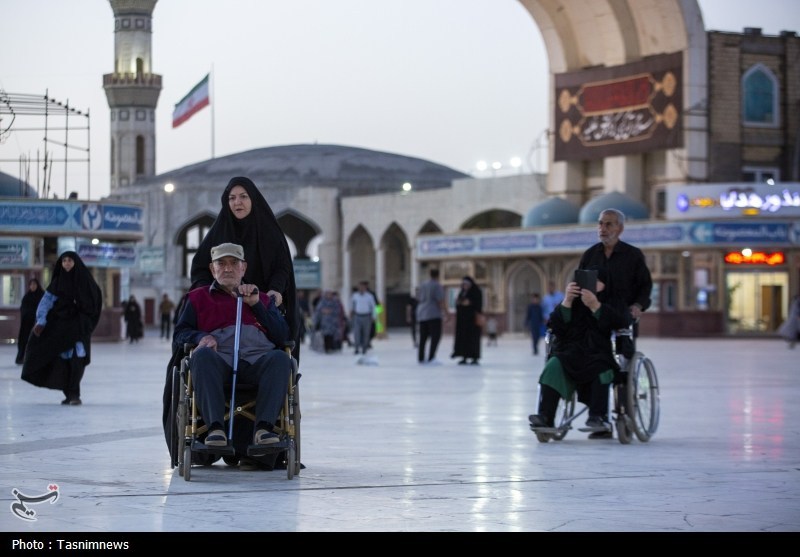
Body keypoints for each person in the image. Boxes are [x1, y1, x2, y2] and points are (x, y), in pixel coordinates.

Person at [173, 243, 291, 459]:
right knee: (201, 355)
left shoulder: (262, 298)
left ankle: (263, 429)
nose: (228, 269)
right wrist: (201, 337)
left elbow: (282, 336)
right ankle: (215, 429)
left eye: (233, 263)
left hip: (257, 361)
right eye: (221, 263)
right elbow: (180, 333)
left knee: (281, 359)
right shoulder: (197, 298)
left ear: (243, 268)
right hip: (220, 362)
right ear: (212, 269)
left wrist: (256, 305)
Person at [189, 176, 300, 363]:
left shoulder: (269, 232)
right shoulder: (218, 232)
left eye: (243, 197)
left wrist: (275, 291)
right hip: (221, 308)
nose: (237, 202)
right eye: (232, 198)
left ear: (253, 199)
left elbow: (282, 267)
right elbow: (200, 268)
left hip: (260, 306)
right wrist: (210, 293)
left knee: (279, 348)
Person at [528, 270, 629, 439]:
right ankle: (546, 417)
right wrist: (567, 300)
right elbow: (555, 325)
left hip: (598, 352)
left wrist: (595, 305)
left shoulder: (613, 300)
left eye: (595, 282)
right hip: (570, 352)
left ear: (603, 285)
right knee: (554, 365)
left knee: (601, 368)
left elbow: (621, 322)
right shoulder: (572, 302)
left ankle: (598, 417)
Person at [21, 251, 102, 405]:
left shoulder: (85, 281)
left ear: (75, 262)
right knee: (64, 360)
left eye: (70, 260)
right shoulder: (57, 283)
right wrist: (41, 322)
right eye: (64, 261)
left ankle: (75, 394)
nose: (66, 263)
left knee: (77, 359)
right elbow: (46, 302)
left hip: (79, 327)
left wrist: (86, 320)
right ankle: (69, 394)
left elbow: (94, 301)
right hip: (62, 327)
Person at [578, 208, 652, 358]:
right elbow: (580, 284)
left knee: (623, 354)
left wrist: (638, 305)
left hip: (622, 314)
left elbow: (645, 285)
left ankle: (622, 378)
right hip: (594, 314)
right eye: (600, 224)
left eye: (608, 224)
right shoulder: (590, 255)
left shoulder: (633, 255)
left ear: (620, 228)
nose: (602, 229)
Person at [416, 268, 449, 365]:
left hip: (422, 313)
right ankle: (431, 356)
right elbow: (440, 300)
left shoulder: (423, 285)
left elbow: (418, 297)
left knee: (423, 337)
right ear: (438, 275)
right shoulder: (437, 285)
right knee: (435, 336)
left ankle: (421, 357)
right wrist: (445, 313)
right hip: (433, 313)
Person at [451, 276, 483, 365]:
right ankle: (464, 356)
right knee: (463, 339)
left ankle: (474, 357)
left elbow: (478, 305)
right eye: (463, 284)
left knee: (473, 339)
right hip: (463, 321)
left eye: (466, 284)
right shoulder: (462, 293)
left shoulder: (476, 292)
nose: (465, 286)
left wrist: (470, 303)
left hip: (472, 321)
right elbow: (459, 303)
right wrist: (460, 303)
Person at [15, 278, 45, 365]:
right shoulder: (27, 297)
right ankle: (22, 358)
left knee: (37, 341)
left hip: (38, 324)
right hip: (26, 324)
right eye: (31, 285)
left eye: (34, 285)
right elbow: (23, 308)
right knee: (24, 341)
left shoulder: (42, 296)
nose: (33, 286)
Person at [350, 280, 376, 355]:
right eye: (360, 287)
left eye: (362, 287)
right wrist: (351, 312)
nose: (361, 288)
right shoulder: (355, 296)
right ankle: (356, 348)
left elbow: (373, 307)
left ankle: (364, 348)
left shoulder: (369, 296)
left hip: (367, 316)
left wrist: (374, 316)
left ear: (365, 288)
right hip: (357, 316)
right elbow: (352, 304)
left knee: (366, 333)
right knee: (356, 333)